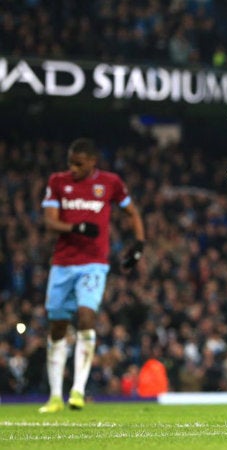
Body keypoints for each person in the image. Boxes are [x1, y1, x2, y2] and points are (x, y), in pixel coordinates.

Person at [38, 138, 145, 413]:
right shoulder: (57, 182)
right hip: (62, 264)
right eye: (70, 162)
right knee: (58, 326)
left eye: (79, 163)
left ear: (92, 162)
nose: (72, 168)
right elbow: (49, 221)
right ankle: (54, 396)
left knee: (87, 316)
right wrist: (76, 228)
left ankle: (77, 390)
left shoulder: (110, 183)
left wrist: (139, 243)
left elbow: (132, 211)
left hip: (93, 264)